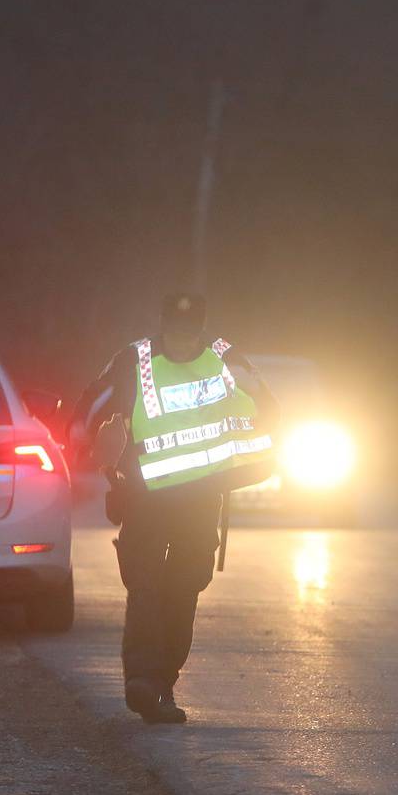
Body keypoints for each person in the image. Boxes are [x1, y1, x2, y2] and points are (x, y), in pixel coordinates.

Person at [78, 294, 276, 723]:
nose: (183, 342)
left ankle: (160, 684)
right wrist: (92, 455)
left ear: (201, 329)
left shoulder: (226, 359)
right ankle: (144, 683)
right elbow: (92, 408)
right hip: (146, 497)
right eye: (176, 332)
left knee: (184, 589)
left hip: (202, 499)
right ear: (163, 325)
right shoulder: (136, 359)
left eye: (190, 334)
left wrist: (241, 465)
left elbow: (267, 413)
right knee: (145, 588)